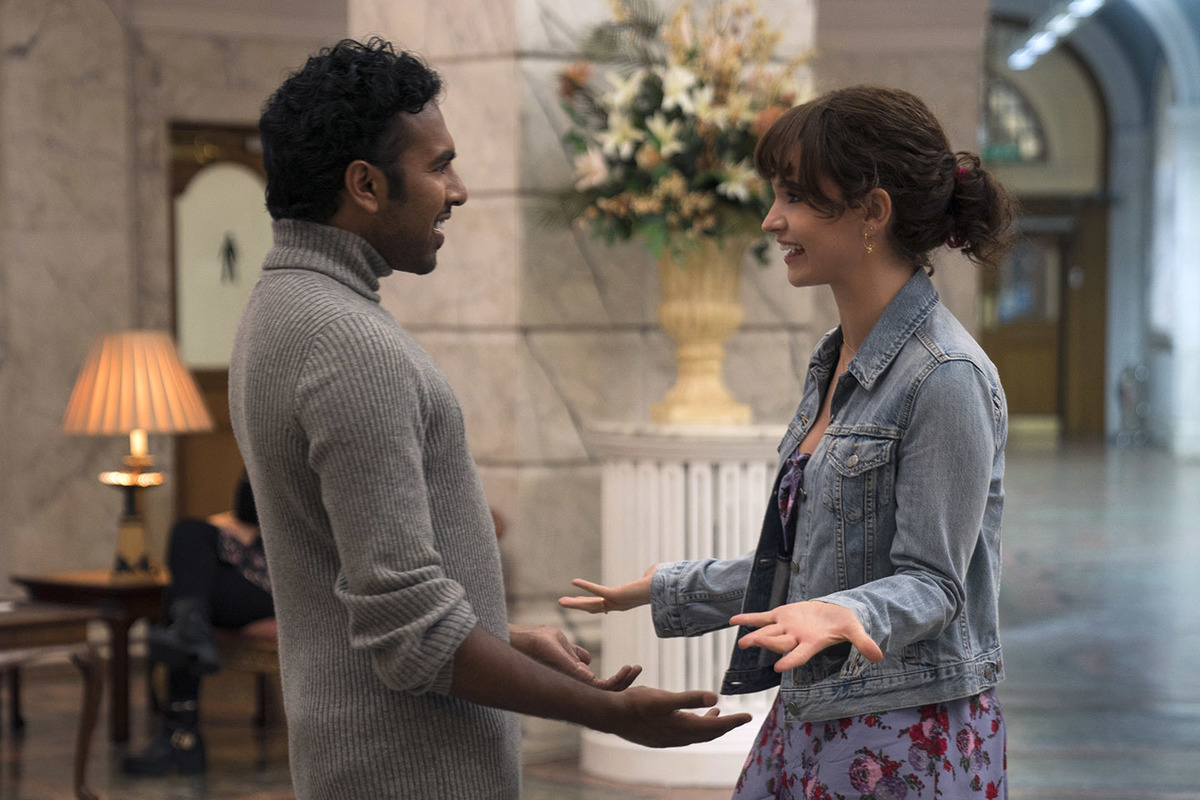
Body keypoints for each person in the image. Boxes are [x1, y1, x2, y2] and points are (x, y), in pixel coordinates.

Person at [228, 38, 750, 800]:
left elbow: (366, 594)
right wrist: (610, 713)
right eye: (439, 166)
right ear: (365, 184)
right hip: (412, 776)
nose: (459, 191)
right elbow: (411, 634)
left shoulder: (276, 311)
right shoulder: (348, 343)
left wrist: (503, 639)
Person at [561, 85, 1015, 799]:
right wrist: (666, 587)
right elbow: (810, 566)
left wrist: (846, 613)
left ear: (873, 212)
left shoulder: (945, 375)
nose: (772, 220)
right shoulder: (835, 358)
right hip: (816, 713)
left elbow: (934, 585)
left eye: (796, 197)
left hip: (905, 732)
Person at [123, 471, 274, 776]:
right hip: (254, 556)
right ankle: (190, 632)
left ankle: (181, 734)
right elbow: (247, 506)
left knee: (186, 600)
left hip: (288, 581)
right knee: (190, 531)